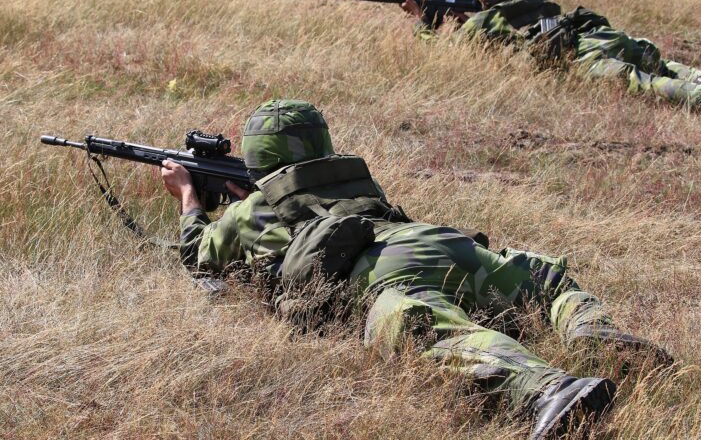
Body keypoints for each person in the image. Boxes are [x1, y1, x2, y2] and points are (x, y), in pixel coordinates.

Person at [160, 99, 671, 439]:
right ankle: (596, 333)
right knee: (540, 277)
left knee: (422, 323)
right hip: (443, 242)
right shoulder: (355, 180)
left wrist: (188, 196)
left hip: (388, 272)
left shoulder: (249, 213)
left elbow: (196, 254)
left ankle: (550, 391)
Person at [400, 0, 701, 117]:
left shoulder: (484, 21)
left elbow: (443, 51)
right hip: (599, 34)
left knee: (639, 82)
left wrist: (421, 21)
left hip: (584, 57)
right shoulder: (541, 4)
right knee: (655, 61)